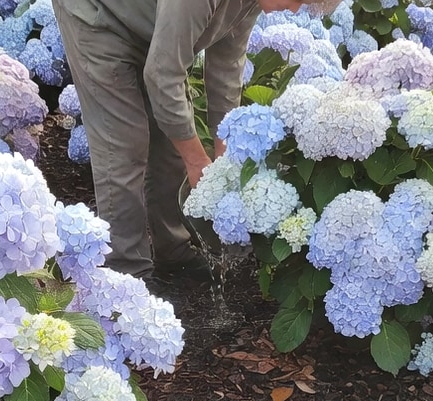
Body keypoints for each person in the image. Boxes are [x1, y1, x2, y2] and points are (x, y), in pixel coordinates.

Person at [53, 0, 331, 280]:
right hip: (99, 17)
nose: (296, 10)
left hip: (151, 26)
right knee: (123, 147)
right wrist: (197, 160)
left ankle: (173, 251)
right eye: (300, 0)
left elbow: (227, 64)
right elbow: (163, 76)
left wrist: (225, 152)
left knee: (172, 146)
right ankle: (127, 275)